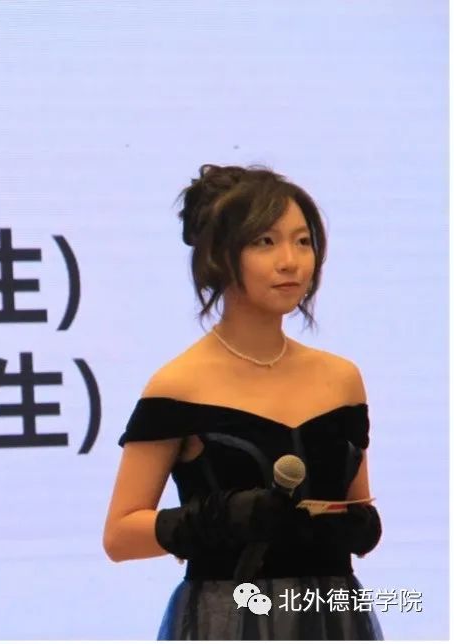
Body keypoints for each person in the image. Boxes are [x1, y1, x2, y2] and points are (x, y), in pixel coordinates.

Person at [102, 164, 383, 639]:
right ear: (218, 256)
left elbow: (358, 505)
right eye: (265, 242)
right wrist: (220, 518)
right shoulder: (179, 384)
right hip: (228, 615)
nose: (291, 261)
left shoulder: (342, 379)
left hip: (332, 613)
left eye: (303, 241)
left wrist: (359, 525)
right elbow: (119, 536)